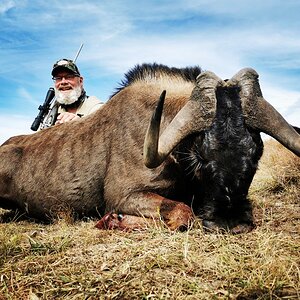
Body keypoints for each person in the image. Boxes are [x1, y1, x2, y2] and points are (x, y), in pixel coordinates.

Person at [41, 58, 103, 128]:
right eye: (58, 78)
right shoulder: (51, 111)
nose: (63, 82)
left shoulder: (96, 108)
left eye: (69, 77)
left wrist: (81, 124)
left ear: (80, 81)